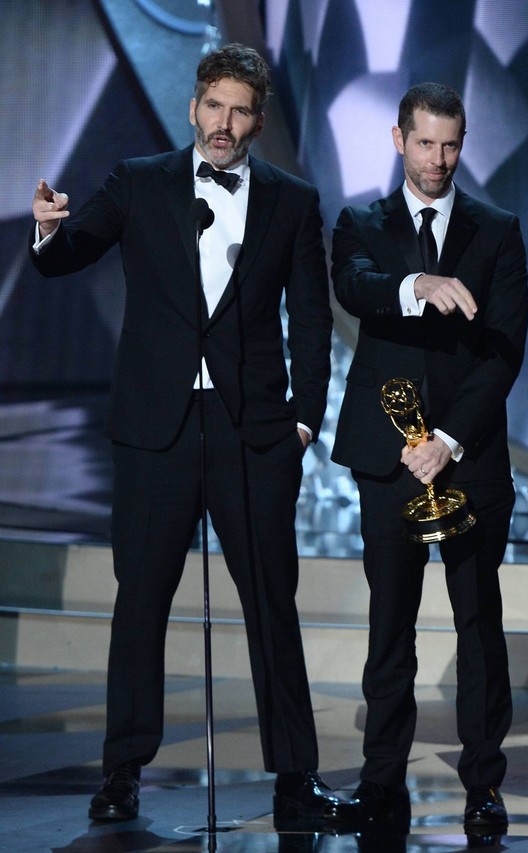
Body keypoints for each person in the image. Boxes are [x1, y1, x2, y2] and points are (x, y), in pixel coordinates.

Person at [31, 42, 356, 830]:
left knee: (272, 604)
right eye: (215, 106)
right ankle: (122, 771)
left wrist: (304, 420)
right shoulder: (140, 182)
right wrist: (47, 231)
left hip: (252, 432)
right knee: (139, 600)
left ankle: (295, 779)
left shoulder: (290, 199)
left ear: (259, 118)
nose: (225, 123)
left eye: (241, 110)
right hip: (156, 428)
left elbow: (312, 322)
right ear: (194, 107)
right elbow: (71, 254)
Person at [331, 82, 528, 833]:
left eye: (450, 144)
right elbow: (354, 286)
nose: (438, 159)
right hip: (387, 461)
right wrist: (418, 284)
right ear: (398, 139)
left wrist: (447, 440)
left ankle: (483, 782)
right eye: (424, 143)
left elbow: (504, 350)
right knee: (391, 623)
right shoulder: (362, 223)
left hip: (467, 459)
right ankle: (382, 777)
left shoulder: (496, 230)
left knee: (478, 620)